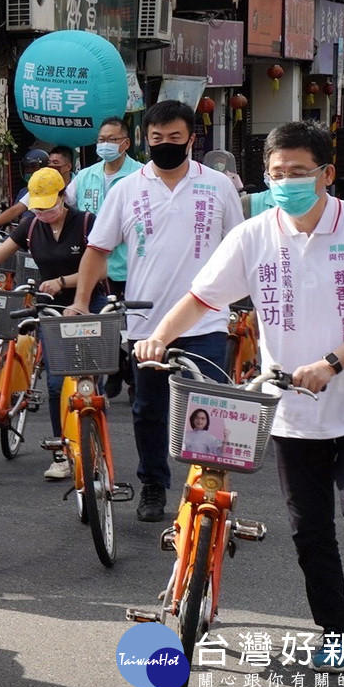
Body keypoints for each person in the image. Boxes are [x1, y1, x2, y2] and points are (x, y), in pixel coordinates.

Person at [133, 120, 344, 687]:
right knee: (309, 532)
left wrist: (331, 363)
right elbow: (200, 297)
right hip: (289, 410)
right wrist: (160, 335)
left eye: (299, 174)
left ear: (327, 175)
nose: (286, 184)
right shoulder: (255, 235)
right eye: (277, 175)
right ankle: (337, 638)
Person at [68, 99, 243, 523]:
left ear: (192, 139)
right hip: (146, 324)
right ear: (145, 141)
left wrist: (243, 302)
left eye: (175, 138)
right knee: (149, 409)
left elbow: (241, 247)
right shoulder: (127, 190)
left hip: (208, 320)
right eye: (157, 138)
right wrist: (79, 300)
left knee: (207, 408)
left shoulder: (217, 185)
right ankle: (153, 484)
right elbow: (97, 250)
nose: (165, 144)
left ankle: (208, 488)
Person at [0, 168, 108, 479]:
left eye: (49, 206)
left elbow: (103, 269)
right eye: (37, 207)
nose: (43, 213)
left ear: (64, 198)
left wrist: (63, 281)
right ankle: (61, 452)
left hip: (87, 302)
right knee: (55, 383)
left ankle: (93, 441)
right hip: (51, 308)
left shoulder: (86, 223)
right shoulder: (29, 226)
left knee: (87, 381)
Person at [68, 117, 144, 398]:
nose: (105, 145)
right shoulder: (86, 176)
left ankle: (137, 378)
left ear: (126, 143)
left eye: (112, 140)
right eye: (101, 140)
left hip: (130, 266)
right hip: (96, 268)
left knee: (137, 326)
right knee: (103, 327)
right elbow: (66, 208)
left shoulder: (141, 176)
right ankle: (116, 367)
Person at [0, 149, 50, 234]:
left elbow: (17, 212)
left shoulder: (47, 188)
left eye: (33, 166)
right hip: (25, 236)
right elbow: (15, 212)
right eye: (26, 167)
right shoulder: (25, 191)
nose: (28, 170)